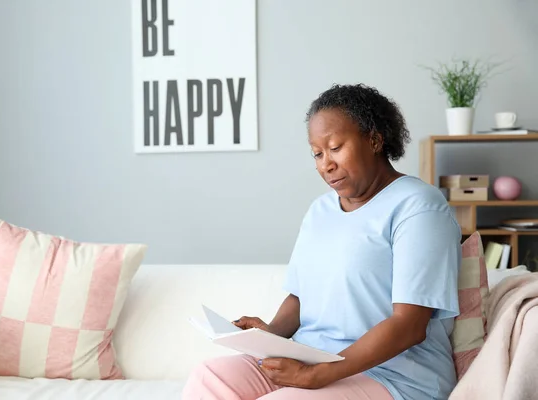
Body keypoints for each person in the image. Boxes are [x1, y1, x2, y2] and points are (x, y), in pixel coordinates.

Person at [182, 84, 462, 400]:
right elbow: (302, 296)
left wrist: (319, 374)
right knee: (210, 377)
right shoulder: (321, 210)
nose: (326, 164)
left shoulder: (419, 206)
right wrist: (271, 335)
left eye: (335, 147)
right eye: (318, 153)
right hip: (311, 360)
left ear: (374, 140)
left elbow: (409, 325)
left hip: (393, 376)